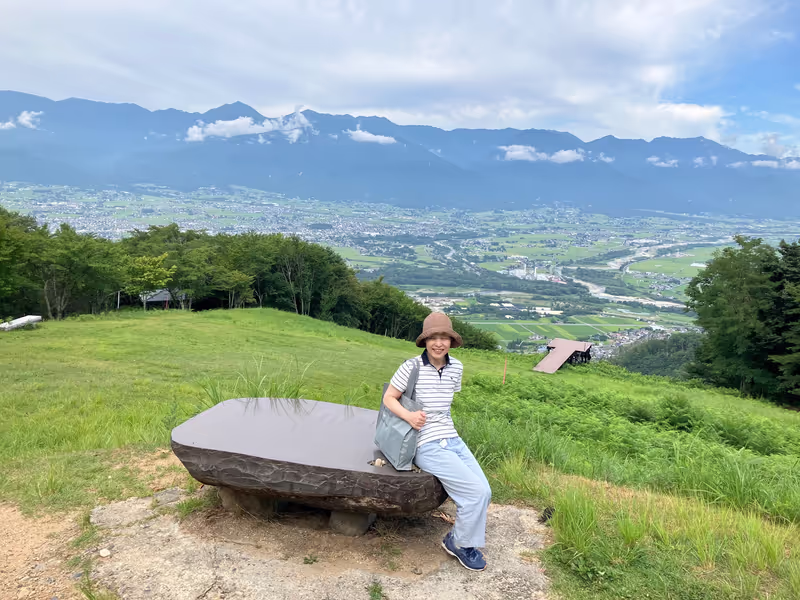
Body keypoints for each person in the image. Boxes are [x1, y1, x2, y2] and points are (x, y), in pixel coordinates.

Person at [382, 312, 492, 572]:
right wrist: (409, 416)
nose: (439, 343)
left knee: (484, 492)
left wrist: (446, 431)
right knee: (474, 494)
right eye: (433, 337)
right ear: (425, 341)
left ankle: (458, 539)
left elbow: (444, 407)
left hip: (451, 437)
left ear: (451, 341)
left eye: (444, 337)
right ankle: (460, 544)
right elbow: (389, 398)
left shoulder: (457, 368)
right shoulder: (412, 367)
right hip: (424, 442)